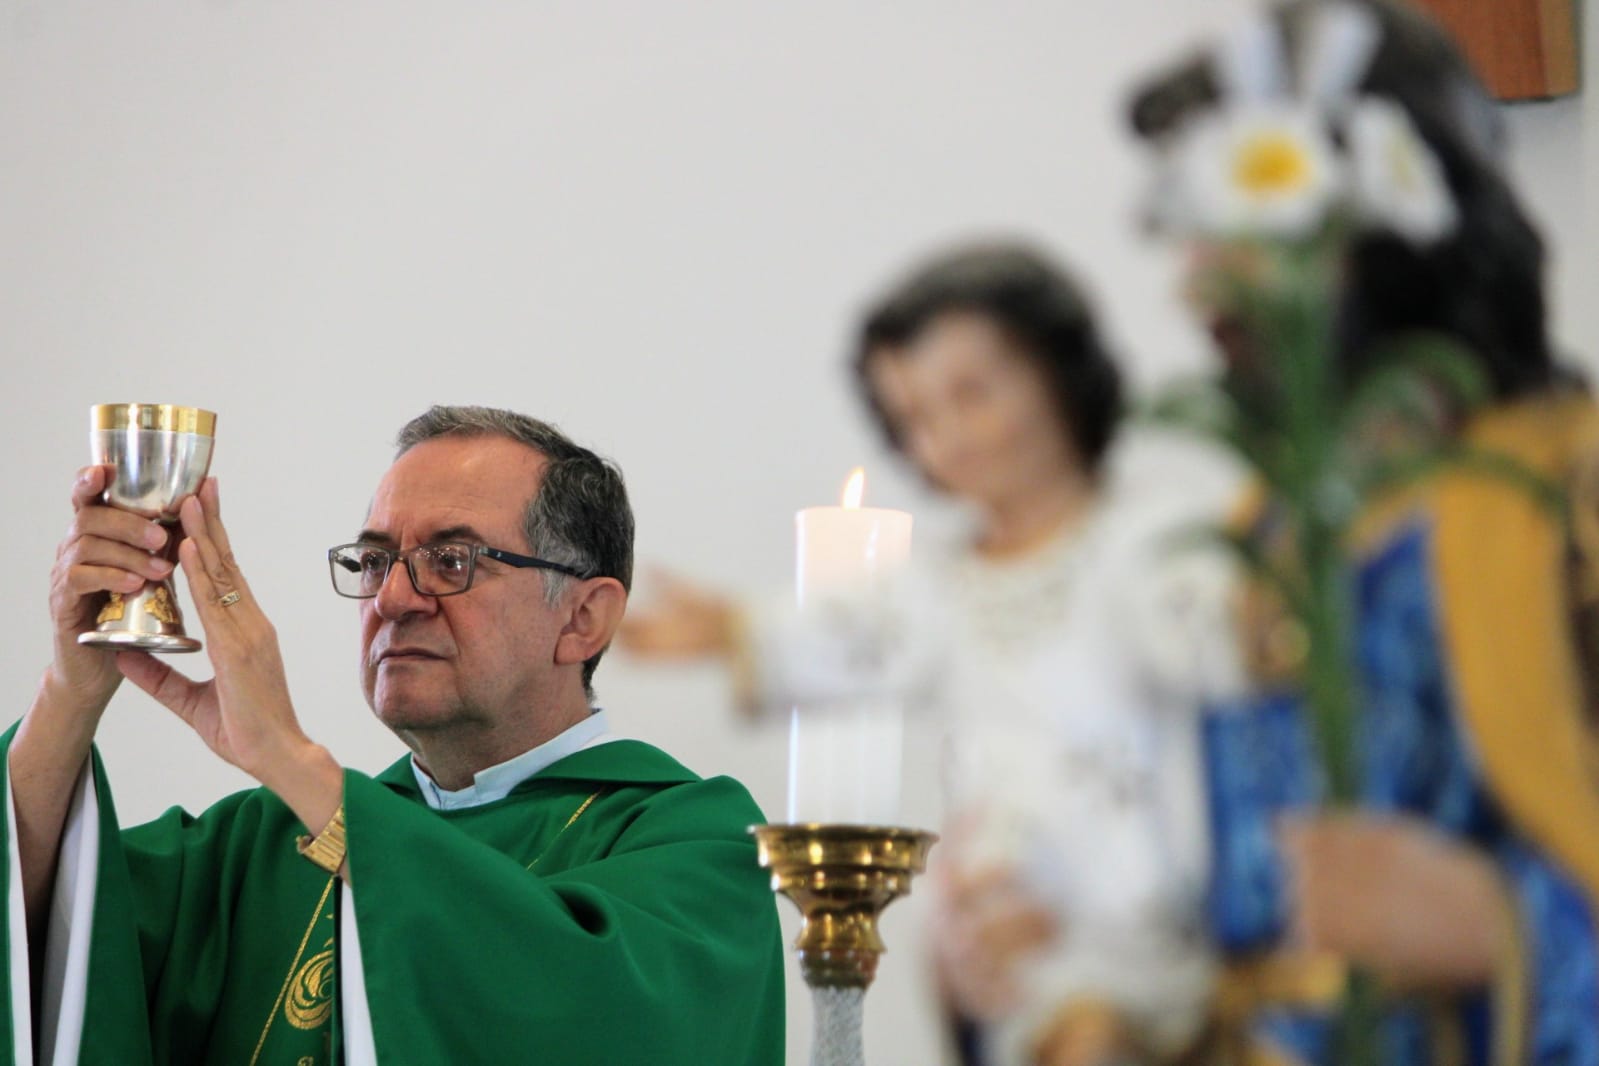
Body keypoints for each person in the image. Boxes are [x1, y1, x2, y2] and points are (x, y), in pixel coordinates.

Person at [6, 405, 785, 1064]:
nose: (394, 598)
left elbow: (586, 1009)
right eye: (376, 561)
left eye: (451, 560)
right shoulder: (265, 844)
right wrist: (72, 690)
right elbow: (45, 941)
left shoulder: (696, 843)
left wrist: (286, 756)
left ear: (583, 617)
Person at [621, 242, 1242, 1066]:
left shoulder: (1143, 537)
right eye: (914, 417)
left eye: (971, 395)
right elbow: (856, 633)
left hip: (1143, 883)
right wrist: (738, 630)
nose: (947, 437)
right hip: (1011, 897)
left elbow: (1217, 637)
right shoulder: (943, 587)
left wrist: (1252, 630)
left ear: (1058, 374)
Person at [1126, 1, 1599, 1062]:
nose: (1198, 284)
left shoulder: (1564, 498)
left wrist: (1498, 929)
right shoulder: (1263, 544)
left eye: (1241, 229)